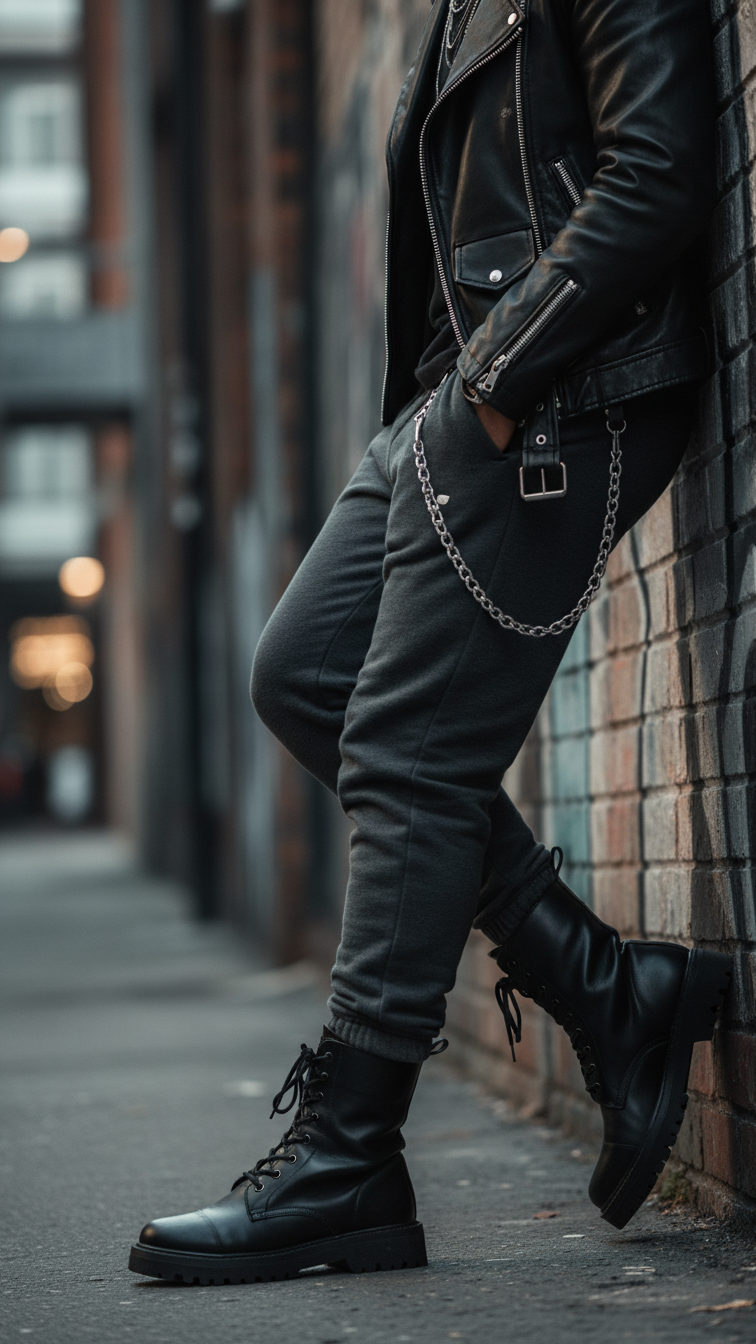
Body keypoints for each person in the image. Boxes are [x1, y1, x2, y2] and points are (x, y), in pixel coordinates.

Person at [129, 0, 731, 1286]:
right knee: (307, 678)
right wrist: (442, 410)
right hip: (452, 409)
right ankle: (606, 988)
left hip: (561, 398)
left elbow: (658, 167)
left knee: (404, 750)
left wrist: (492, 391)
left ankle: (349, 1158)